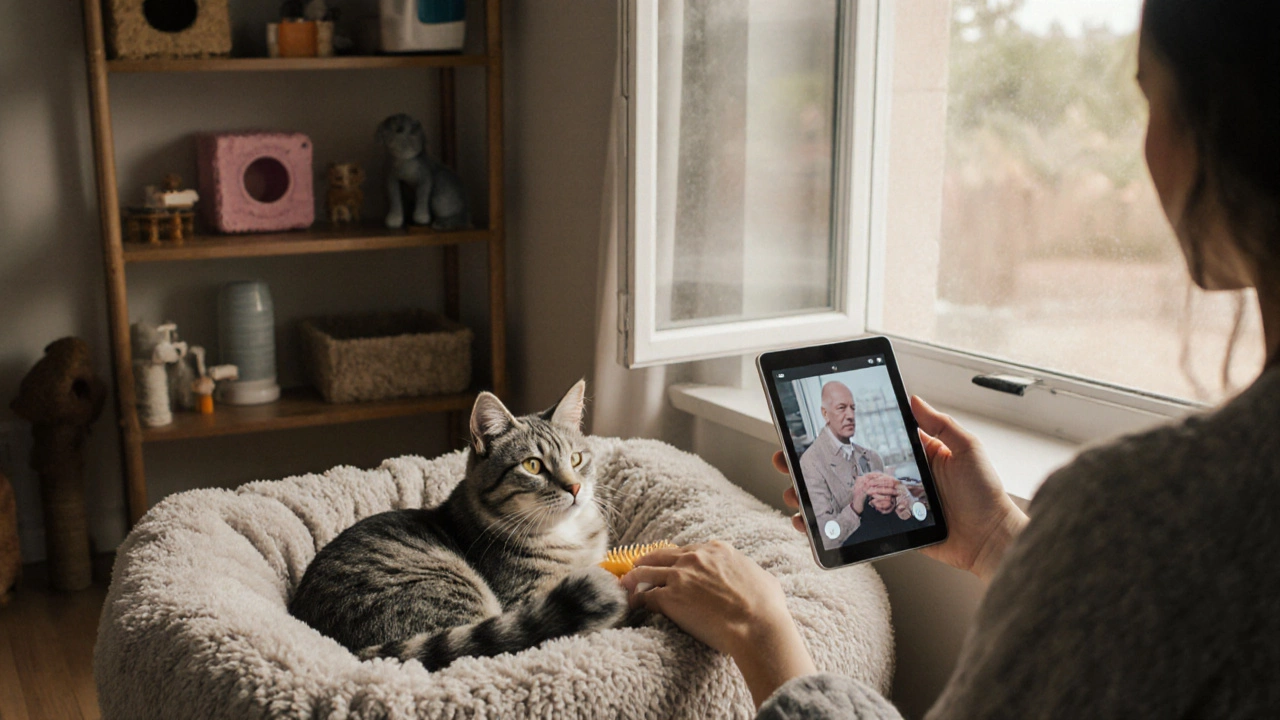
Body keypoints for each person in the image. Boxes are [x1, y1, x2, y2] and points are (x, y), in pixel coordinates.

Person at [621, 0, 1280, 715]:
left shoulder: (1140, 515)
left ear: (1224, 126)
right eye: (837, 408)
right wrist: (1000, 538)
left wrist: (762, 632)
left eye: (1150, 97)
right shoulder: (1142, 526)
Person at [798, 381, 915, 546]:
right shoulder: (811, 463)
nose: (850, 415)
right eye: (841, 408)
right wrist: (856, 505)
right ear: (825, 413)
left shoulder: (873, 457)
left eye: (853, 408)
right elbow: (826, 540)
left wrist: (897, 501)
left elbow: (897, 516)